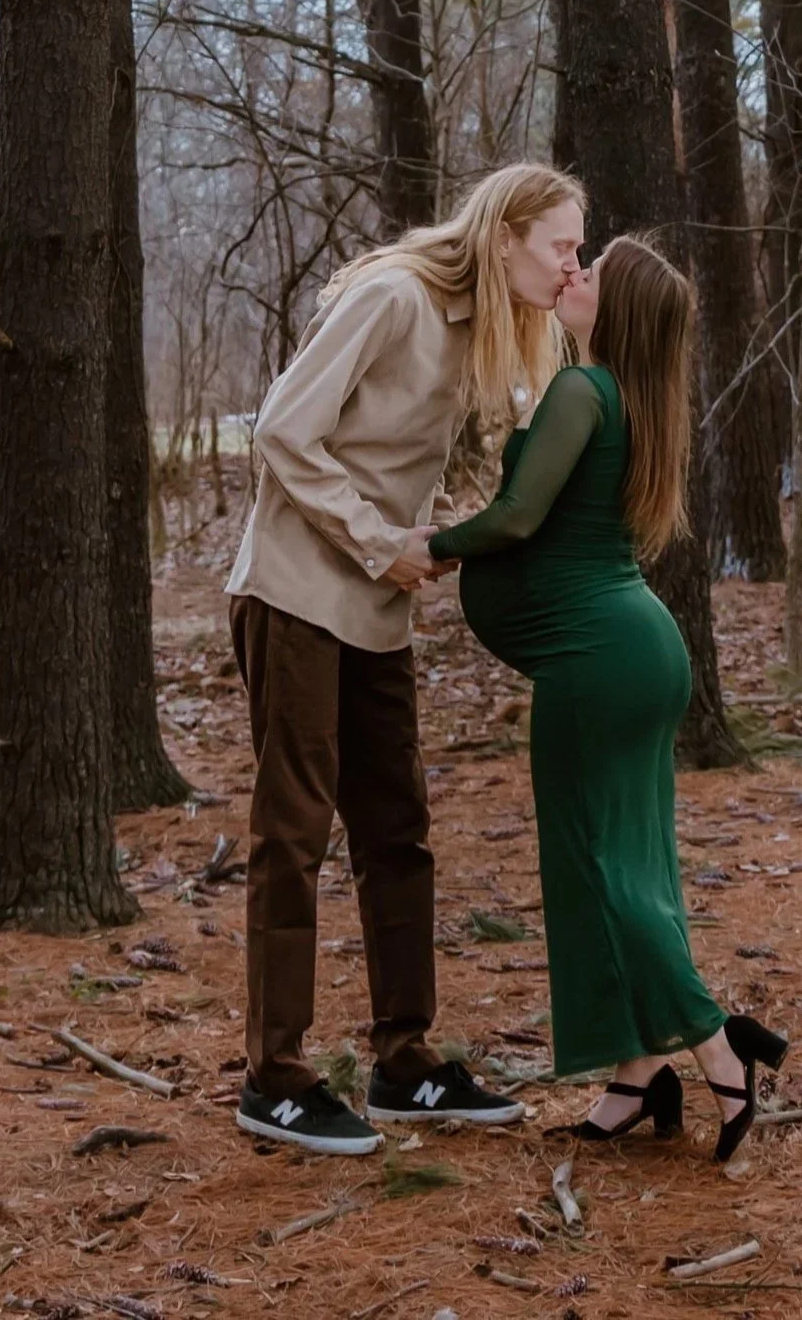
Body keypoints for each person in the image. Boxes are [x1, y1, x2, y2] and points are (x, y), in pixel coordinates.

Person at [226, 161, 587, 1154]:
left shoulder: (498, 328)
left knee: (399, 829)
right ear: (505, 231)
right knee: (292, 830)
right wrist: (375, 538)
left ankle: (403, 1060)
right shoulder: (392, 295)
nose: (570, 263)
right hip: (297, 591)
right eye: (560, 244)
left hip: (377, 611)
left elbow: (533, 440)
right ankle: (276, 1074)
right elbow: (284, 429)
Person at [428, 235, 788, 1159]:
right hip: (637, 655)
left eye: (596, 271)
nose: (574, 273)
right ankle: (635, 1074)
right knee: (633, 869)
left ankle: (717, 1048)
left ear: (617, 308)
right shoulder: (631, 401)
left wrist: (427, 545)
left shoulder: (583, 393)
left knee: (600, 870)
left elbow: (514, 518)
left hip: (598, 664)